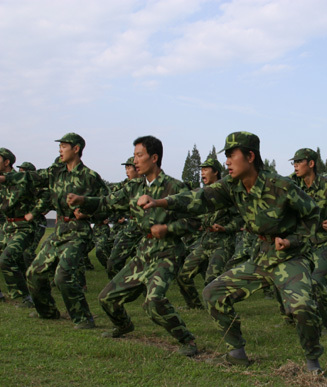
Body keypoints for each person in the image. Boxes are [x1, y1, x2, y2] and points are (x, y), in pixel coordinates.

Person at [137, 132, 324, 372]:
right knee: (213, 294)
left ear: (250, 156)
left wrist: (292, 241)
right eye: (225, 157)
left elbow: (313, 214)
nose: (226, 162)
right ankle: (236, 351)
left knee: (302, 308)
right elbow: (199, 198)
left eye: (231, 155)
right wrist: (160, 202)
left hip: (289, 257)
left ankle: (312, 362)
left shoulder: (281, 186)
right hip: (260, 256)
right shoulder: (231, 186)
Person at [67, 136, 199, 356]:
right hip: (144, 253)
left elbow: (195, 221)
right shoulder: (133, 187)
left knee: (154, 301)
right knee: (106, 298)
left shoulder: (175, 187)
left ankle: (187, 341)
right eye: (135, 156)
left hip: (167, 253)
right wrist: (82, 200)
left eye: (140, 155)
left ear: (154, 157)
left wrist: (168, 229)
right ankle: (123, 325)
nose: (135, 161)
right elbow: (107, 203)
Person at [0, 134, 108, 328]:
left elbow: (107, 204)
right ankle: (47, 312)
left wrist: (87, 214)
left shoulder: (89, 177)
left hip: (78, 232)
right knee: (34, 273)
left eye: (64, 146)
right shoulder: (55, 172)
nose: (60, 149)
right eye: (60, 146)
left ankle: (83, 319)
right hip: (60, 230)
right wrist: (5, 177)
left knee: (63, 276)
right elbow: (31, 177)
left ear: (76, 149)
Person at [291, 148, 327, 323]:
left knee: (317, 280)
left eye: (299, 161)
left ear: (311, 163)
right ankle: (293, 318)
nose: (295, 165)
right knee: (294, 281)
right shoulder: (292, 186)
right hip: (301, 242)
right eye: (293, 162)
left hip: (325, 241)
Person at [177, 157, 242, 310]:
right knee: (183, 276)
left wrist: (225, 228)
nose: (202, 173)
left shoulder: (227, 193)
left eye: (205, 170)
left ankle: (219, 308)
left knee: (212, 280)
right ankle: (194, 305)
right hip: (205, 242)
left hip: (222, 243)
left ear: (216, 172)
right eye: (201, 170)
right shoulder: (202, 194)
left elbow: (240, 218)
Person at [0, 148, 36, 307]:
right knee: (12, 260)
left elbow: (45, 195)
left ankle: (25, 297)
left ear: (6, 162)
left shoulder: (21, 179)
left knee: (7, 259)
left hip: (23, 227)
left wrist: (35, 212)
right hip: (6, 226)